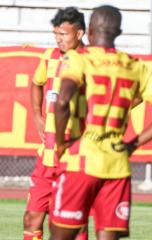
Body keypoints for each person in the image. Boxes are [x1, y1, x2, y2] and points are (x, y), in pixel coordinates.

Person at [51, 5, 152, 240]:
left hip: (81, 159)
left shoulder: (79, 58)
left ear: (89, 31)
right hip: (117, 164)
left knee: (61, 236)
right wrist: (132, 145)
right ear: (118, 32)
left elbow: (62, 102)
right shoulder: (135, 66)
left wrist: (60, 144)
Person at [24, 7, 89, 240]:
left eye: (64, 34)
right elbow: (36, 83)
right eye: (56, 34)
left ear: (80, 33)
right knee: (31, 218)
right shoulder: (50, 56)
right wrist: (36, 115)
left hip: (75, 159)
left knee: (73, 224)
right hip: (47, 155)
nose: (59, 39)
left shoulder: (92, 61)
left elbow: (133, 96)